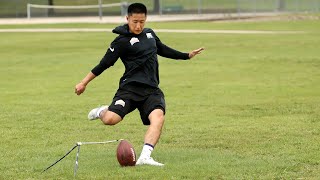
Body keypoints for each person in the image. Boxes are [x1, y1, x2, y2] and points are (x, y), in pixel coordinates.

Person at [75, 2, 204, 166]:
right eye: (135, 21)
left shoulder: (150, 34)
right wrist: (83, 82)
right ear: (127, 18)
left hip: (151, 90)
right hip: (129, 89)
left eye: (142, 21)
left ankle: (145, 156)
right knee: (110, 119)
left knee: (158, 117)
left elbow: (163, 49)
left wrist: (187, 55)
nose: (138, 25)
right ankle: (102, 111)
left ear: (146, 19)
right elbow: (104, 64)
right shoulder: (121, 42)